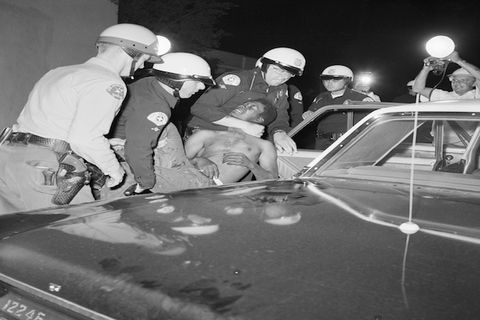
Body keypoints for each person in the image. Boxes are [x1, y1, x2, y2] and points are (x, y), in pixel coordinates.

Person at [0, 23, 166, 214]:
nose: (144, 65)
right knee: (79, 232)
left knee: (15, 233)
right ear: (131, 52)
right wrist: (114, 169)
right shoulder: (109, 82)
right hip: (46, 168)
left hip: (8, 157)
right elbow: (85, 138)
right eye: (145, 58)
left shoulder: (58, 72)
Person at [107, 52, 217, 196]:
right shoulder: (156, 107)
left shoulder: (148, 84)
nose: (201, 87)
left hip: (122, 138)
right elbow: (137, 149)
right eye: (197, 81)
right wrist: (145, 183)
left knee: (169, 129)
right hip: (124, 150)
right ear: (176, 79)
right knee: (203, 185)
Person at [186, 47, 306, 154]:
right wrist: (243, 125)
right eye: (278, 70)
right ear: (264, 66)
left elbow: (280, 118)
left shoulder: (281, 89)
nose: (283, 77)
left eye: (289, 73)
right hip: (203, 134)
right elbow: (200, 108)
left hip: (239, 140)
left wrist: (279, 133)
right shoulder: (238, 80)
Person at [185, 99, 279, 184]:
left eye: (251, 107)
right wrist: (199, 160)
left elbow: (272, 181)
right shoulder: (207, 134)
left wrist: (251, 165)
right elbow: (174, 160)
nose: (243, 106)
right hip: (184, 178)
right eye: (245, 103)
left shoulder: (263, 145)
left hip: (211, 193)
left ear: (258, 119)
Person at [302, 65, 374, 150]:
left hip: (349, 142)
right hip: (322, 143)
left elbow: (374, 121)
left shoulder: (360, 98)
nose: (329, 82)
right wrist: (307, 115)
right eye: (326, 79)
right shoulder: (320, 98)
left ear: (347, 81)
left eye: (336, 79)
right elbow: (310, 115)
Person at [412, 51, 480, 101]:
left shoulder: (477, 96)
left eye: (463, 80)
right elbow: (417, 89)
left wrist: (459, 61)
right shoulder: (444, 96)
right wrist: (426, 69)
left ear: (474, 83)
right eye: (454, 80)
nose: (457, 83)